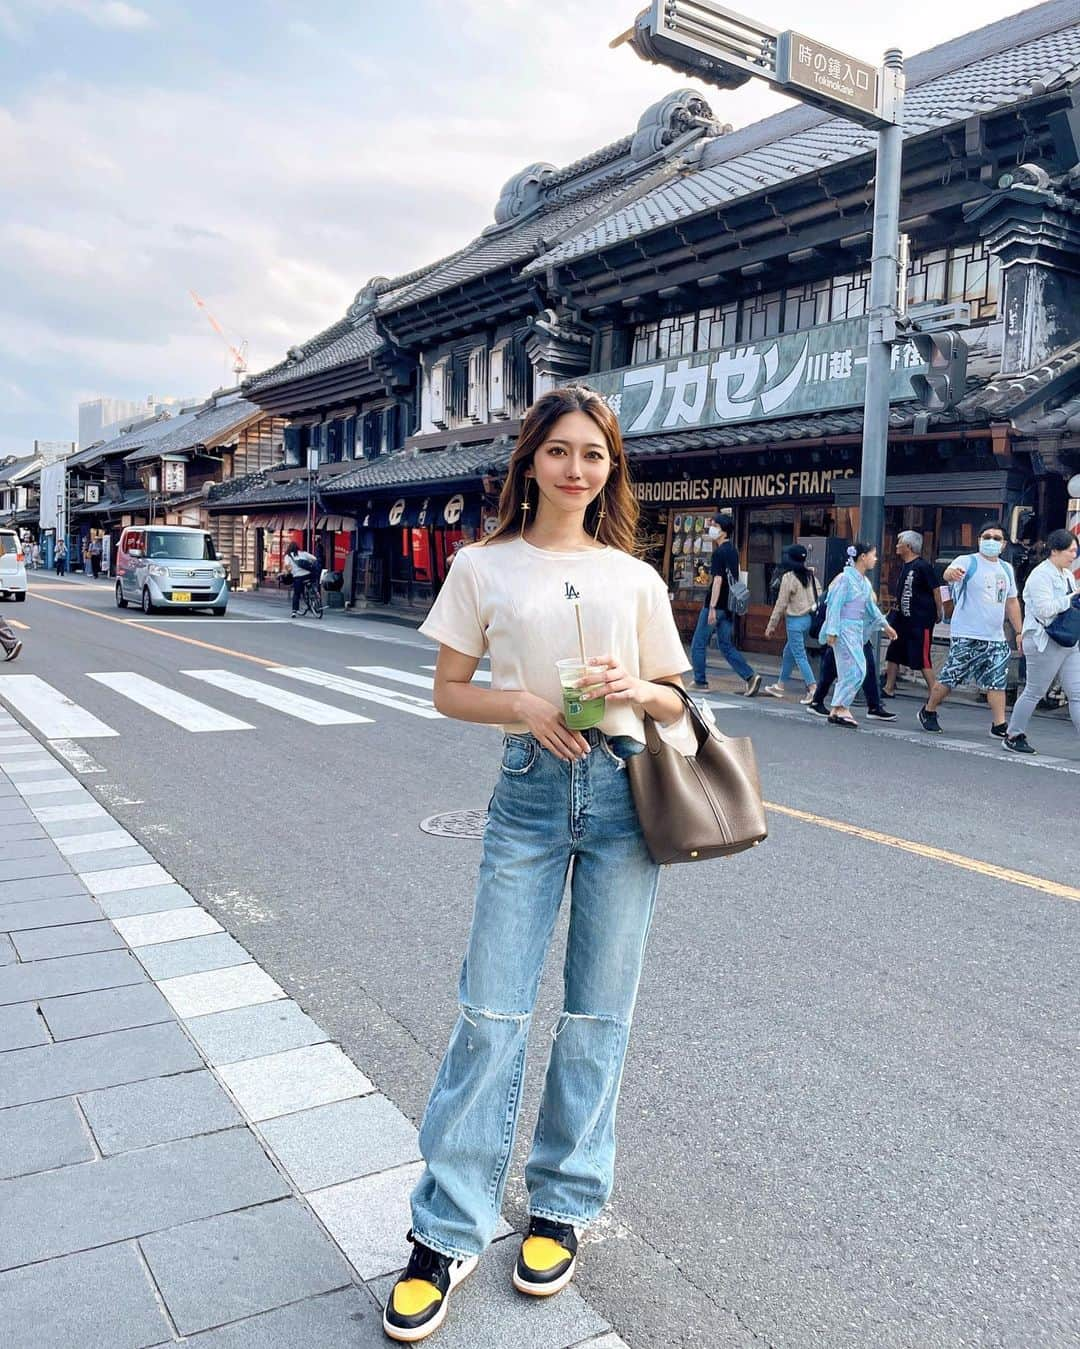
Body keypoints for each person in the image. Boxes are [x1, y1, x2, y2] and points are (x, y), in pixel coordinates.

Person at [383, 386, 694, 1344]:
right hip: (526, 791)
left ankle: (562, 1202)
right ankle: (446, 1225)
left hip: (623, 789)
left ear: (611, 468)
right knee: (491, 1009)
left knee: (598, 1012)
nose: (575, 469)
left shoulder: (633, 575)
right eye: (558, 451)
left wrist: (633, 686)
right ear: (529, 462)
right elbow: (447, 691)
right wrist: (521, 704)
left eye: (593, 454)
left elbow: (678, 702)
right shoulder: (483, 565)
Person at [919, 522, 1022, 737]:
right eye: (987, 537)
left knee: (997, 681)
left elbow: (1011, 601)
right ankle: (929, 710)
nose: (991, 541)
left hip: (995, 636)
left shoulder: (1006, 569)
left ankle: (999, 724)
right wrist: (951, 574)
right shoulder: (968, 561)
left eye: (996, 538)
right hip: (967, 633)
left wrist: (1020, 631)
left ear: (1003, 545)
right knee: (950, 678)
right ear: (979, 540)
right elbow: (948, 573)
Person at [1001, 529, 1080, 754]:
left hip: (1067, 640)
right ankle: (1014, 734)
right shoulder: (1040, 575)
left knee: (1077, 693)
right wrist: (1072, 598)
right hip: (1043, 641)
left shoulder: (1065, 573)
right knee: (1034, 691)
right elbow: (1045, 609)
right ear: (1055, 550)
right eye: (1071, 551)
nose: (1074, 555)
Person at [819, 543, 897, 728]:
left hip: (854, 629)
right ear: (863, 556)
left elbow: (870, 607)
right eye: (873, 555)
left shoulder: (861, 581)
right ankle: (841, 707)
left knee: (853, 671)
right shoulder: (846, 579)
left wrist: (885, 625)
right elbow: (835, 605)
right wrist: (832, 630)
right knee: (856, 670)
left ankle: (838, 708)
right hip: (844, 629)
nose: (875, 559)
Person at [690, 511, 760, 697]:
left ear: (723, 532)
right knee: (725, 645)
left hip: (716, 605)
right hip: (729, 606)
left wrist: (712, 607)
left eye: (715, 526)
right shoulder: (733, 551)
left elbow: (718, 580)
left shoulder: (720, 552)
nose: (712, 529)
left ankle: (700, 681)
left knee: (698, 642)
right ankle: (750, 676)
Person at [882, 531, 942, 697]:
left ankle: (935, 692)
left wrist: (939, 611)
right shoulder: (905, 566)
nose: (896, 545)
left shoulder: (922, 566)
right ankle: (889, 687)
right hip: (903, 619)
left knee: (922, 657)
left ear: (908, 546)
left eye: (899, 542)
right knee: (894, 652)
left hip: (920, 620)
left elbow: (936, 590)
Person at [762, 543, 818, 702]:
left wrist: (771, 626)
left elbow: (781, 603)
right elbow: (818, 595)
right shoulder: (811, 575)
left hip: (794, 622)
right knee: (789, 652)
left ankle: (813, 688)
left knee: (800, 655)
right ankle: (780, 685)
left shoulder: (789, 578)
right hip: (808, 620)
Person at [283, 542, 316, 616]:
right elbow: (314, 558)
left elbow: (288, 567)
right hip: (308, 575)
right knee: (312, 585)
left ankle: (294, 611)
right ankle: (315, 597)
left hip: (298, 577)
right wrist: (310, 563)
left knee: (296, 594)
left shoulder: (288, 556)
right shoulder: (303, 553)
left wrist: (286, 573)